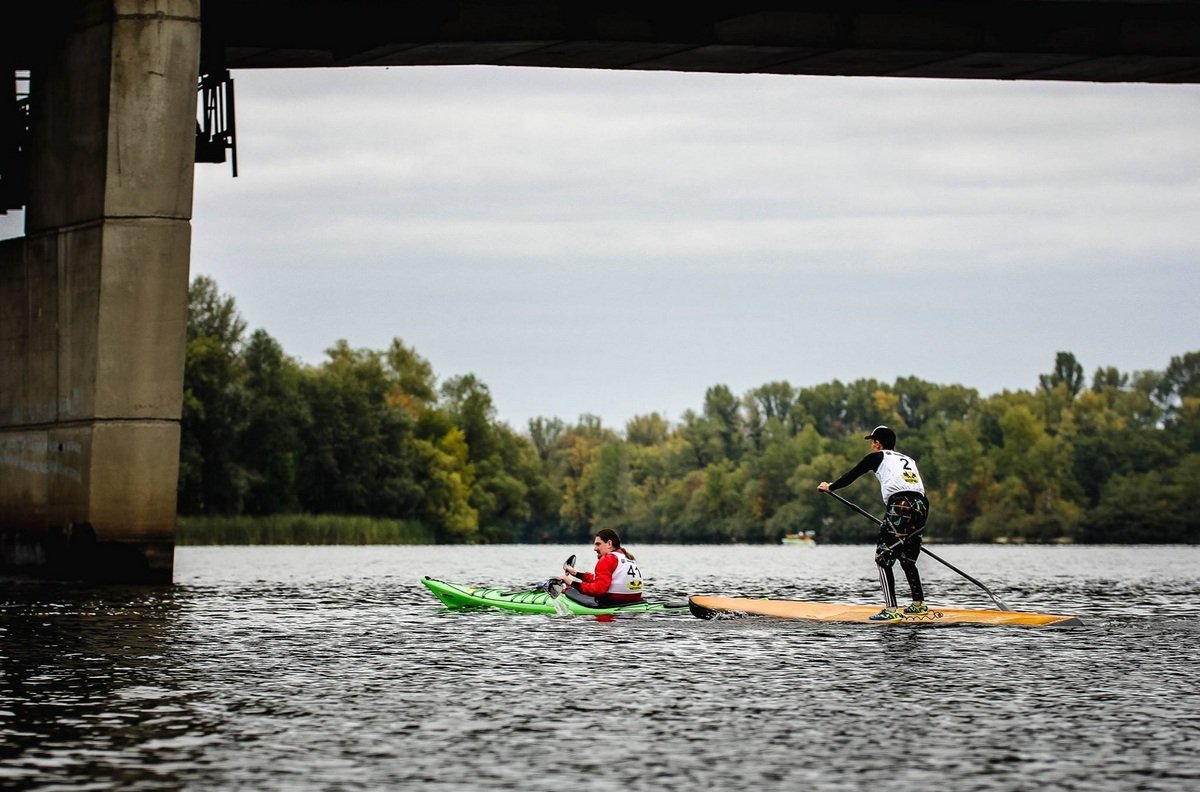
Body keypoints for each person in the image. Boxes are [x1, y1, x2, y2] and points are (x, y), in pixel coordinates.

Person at [817, 425, 930, 622]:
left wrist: (830, 487)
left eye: (872, 441)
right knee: (907, 558)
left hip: (901, 505)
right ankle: (918, 605)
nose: (871, 445)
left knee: (883, 557)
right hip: (922, 505)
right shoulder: (908, 459)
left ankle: (891, 609)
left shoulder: (877, 457)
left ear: (877, 443)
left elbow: (852, 475)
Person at [558, 528, 644, 606]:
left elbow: (598, 589)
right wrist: (576, 574)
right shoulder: (627, 557)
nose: (595, 548)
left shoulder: (607, 559)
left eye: (598, 544)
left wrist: (570, 582)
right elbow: (602, 580)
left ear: (609, 544)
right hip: (634, 601)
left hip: (612, 604)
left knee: (570, 590)